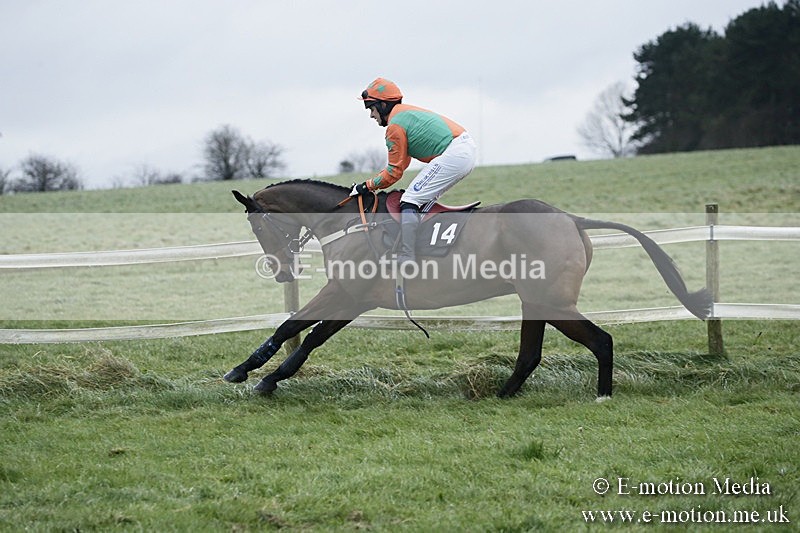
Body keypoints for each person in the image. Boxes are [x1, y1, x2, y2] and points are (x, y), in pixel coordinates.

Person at [351, 77, 477, 265]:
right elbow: (400, 166)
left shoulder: (395, 126)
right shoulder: (403, 116)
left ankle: (407, 256)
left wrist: (366, 186)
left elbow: (394, 172)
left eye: (371, 108)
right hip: (462, 150)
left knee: (410, 199)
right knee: (420, 198)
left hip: (456, 152)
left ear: (383, 105)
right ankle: (426, 247)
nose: (371, 115)